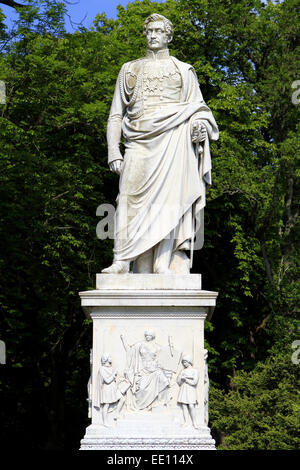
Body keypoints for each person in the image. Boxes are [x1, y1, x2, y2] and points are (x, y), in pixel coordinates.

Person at [102, 13, 219, 274]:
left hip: (174, 141)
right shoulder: (129, 69)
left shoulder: (183, 70)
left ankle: (162, 263)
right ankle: (122, 261)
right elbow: (116, 115)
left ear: (169, 36)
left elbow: (198, 108)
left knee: (170, 202)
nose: (153, 35)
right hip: (138, 142)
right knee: (128, 199)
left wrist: (200, 126)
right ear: (145, 35)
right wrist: (113, 150)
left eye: (158, 31)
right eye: (149, 31)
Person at [120, 330, 170, 410]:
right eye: (146, 335)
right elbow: (129, 351)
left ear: (153, 336)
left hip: (155, 370)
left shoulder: (157, 347)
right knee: (142, 389)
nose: (147, 336)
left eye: (149, 335)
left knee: (165, 381)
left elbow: (165, 357)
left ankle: (160, 403)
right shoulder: (139, 345)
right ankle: (142, 406)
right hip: (143, 370)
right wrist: (123, 340)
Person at [94, 353, 126, 426]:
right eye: (110, 357)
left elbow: (114, 379)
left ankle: (116, 414)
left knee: (122, 399)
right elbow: (107, 381)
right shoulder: (102, 369)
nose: (111, 358)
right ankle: (105, 422)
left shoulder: (111, 368)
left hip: (113, 388)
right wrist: (114, 373)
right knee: (106, 405)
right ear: (106, 359)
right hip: (107, 389)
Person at [177, 355, 200, 429]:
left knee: (191, 405)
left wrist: (186, 379)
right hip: (184, 389)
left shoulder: (194, 371)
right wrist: (181, 378)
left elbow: (194, 382)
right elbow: (179, 382)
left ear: (189, 362)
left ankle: (194, 422)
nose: (184, 364)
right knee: (184, 405)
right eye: (183, 362)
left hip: (190, 390)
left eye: (185, 362)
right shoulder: (183, 371)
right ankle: (186, 422)